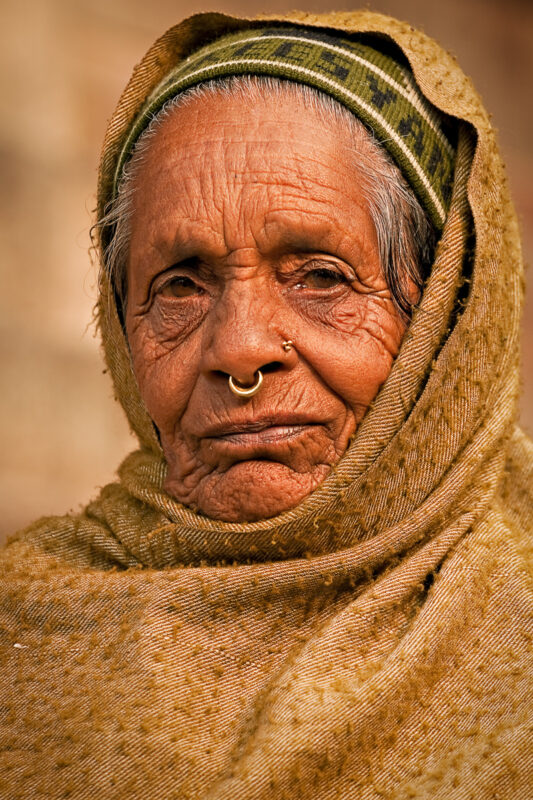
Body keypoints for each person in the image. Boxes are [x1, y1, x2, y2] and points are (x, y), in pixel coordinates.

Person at [0, 9, 531, 799]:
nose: (239, 351)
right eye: (180, 284)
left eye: (319, 276)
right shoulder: (27, 634)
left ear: (443, 319)